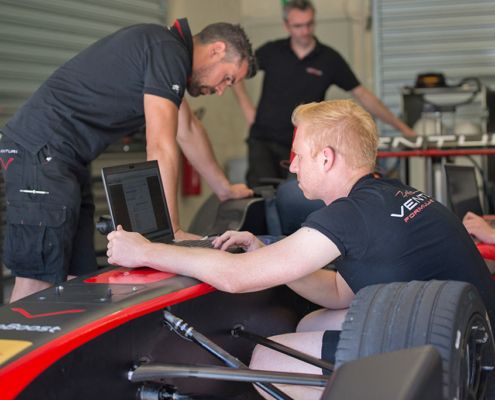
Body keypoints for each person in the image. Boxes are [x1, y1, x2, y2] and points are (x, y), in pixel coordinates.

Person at [107, 99, 495, 399]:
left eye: (299, 155)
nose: (292, 167)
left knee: (268, 358)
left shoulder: (351, 213)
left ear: (326, 158)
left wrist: (144, 251)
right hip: (474, 341)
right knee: (311, 323)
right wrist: (265, 252)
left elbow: (235, 277)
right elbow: (341, 291)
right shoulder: (391, 193)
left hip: (451, 367)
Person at [0, 19, 258, 302]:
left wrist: (223, 188)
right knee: (36, 284)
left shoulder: (166, 54)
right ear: (217, 50)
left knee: (75, 282)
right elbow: (160, 143)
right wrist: (171, 231)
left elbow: (189, 130)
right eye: (228, 79)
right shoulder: (166, 50)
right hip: (40, 153)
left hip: (63, 160)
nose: (222, 89)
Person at [233, 0, 416, 187]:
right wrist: (248, 109)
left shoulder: (329, 59)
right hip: (264, 140)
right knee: (263, 197)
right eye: (298, 26)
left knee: (299, 198)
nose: (304, 31)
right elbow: (237, 71)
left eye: (309, 24)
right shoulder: (272, 51)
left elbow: (362, 94)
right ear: (286, 25)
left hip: (306, 145)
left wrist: (403, 129)